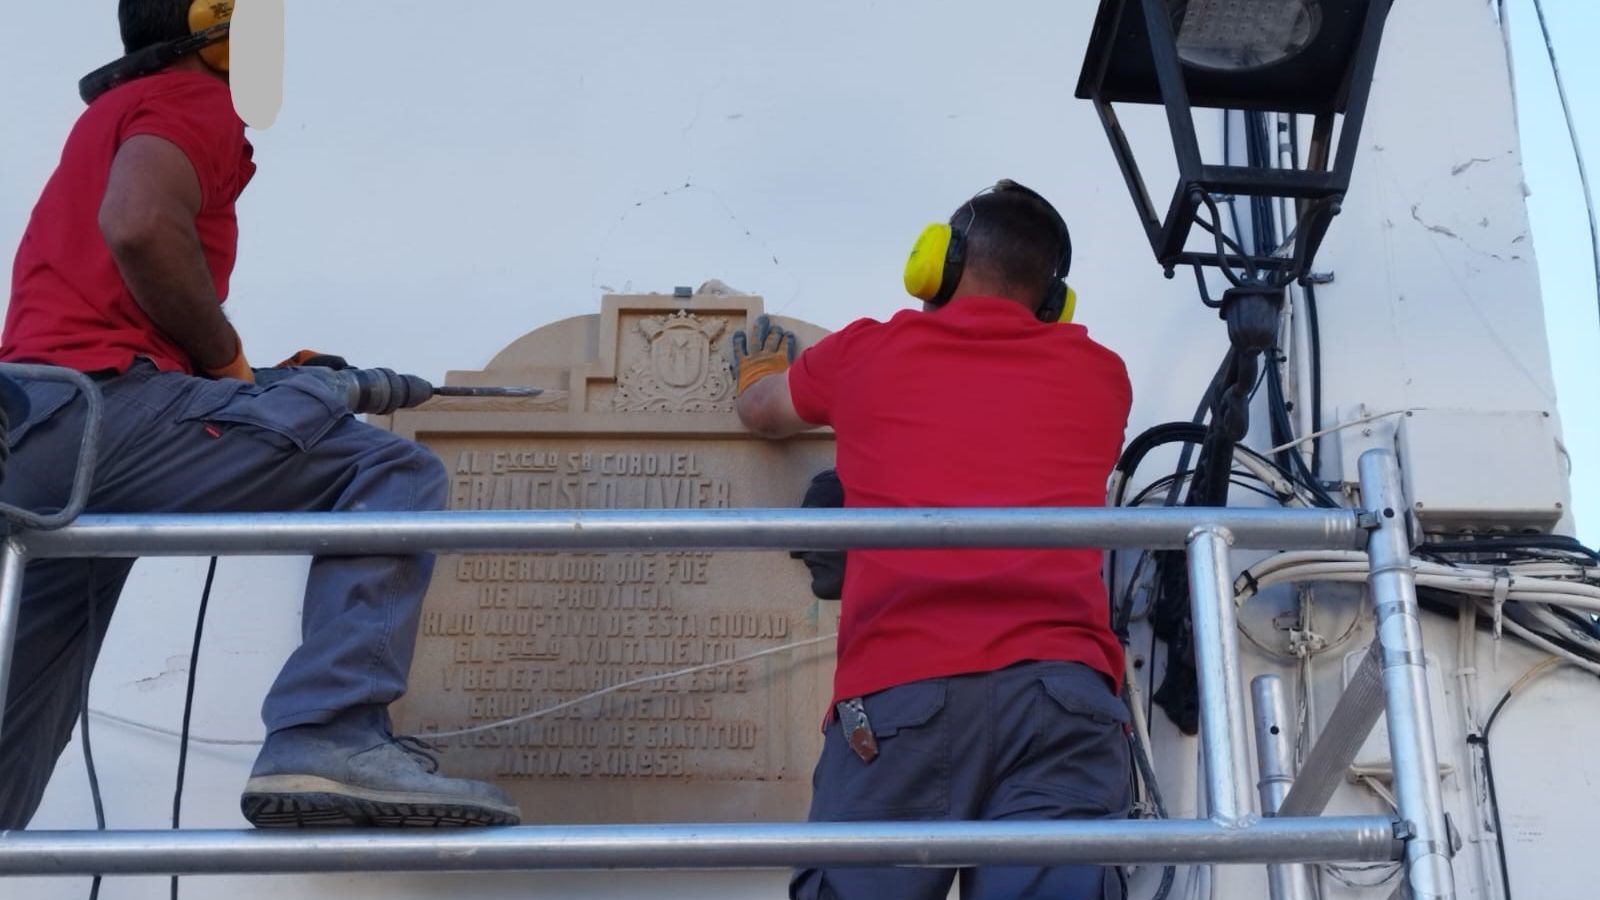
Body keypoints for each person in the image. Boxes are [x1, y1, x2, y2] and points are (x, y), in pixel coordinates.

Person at [0, 0, 517, 829]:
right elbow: (139, 227)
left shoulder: (112, 113)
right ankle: (329, 734)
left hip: (33, 434)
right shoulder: (191, 98)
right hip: (106, 409)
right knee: (387, 468)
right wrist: (227, 367)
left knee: (18, 713)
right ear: (215, 22)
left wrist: (249, 378)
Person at [731, 181, 1135, 899]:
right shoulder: (1102, 375)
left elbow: (763, 413)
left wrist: (761, 372)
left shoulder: (866, 353)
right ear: (1052, 300)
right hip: (1062, 699)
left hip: (901, 696)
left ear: (936, 266)